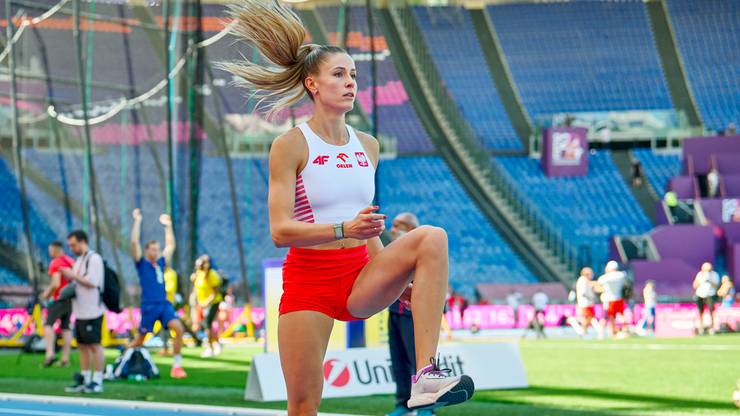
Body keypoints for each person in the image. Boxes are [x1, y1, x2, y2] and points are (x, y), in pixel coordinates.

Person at [223, 2, 475, 413]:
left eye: (353, 75)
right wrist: (344, 229)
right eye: (338, 74)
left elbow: (369, 225)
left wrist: (397, 279)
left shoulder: (368, 146)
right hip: (310, 283)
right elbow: (280, 230)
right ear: (312, 85)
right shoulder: (291, 144)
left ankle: (426, 376)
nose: (350, 82)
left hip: (360, 277)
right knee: (303, 404)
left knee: (431, 238)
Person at [128, 209, 187, 378]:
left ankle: (177, 366)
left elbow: (171, 246)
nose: (155, 252)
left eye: (157, 249)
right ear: (147, 251)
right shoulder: (142, 264)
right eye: (152, 249)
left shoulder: (160, 263)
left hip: (163, 304)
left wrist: (168, 226)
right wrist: (137, 221)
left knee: (178, 328)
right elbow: (133, 243)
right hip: (149, 305)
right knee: (140, 339)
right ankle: (124, 358)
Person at [385, 212, 432, 416]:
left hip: (415, 315)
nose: (393, 229)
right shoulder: (392, 251)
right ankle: (403, 403)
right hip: (395, 311)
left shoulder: (423, 252)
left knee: (419, 361)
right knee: (399, 361)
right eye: (393, 225)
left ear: (412, 229)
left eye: (399, 225)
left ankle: (427, 406)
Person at [60, 230, 106, 393]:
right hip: (79, 311)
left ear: (82, 241)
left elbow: (93, 282)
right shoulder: (78, 261)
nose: (72, 248)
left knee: (94, 345)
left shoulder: (94, 259)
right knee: (82, 346)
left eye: (73, 244)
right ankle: (85, 379)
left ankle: (98, 380)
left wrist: (72, 275)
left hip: (93, 311)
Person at [40, 241, 74, 368]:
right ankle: (65, 358)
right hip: (70, 298)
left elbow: (56, 283)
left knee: (48, 324)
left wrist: (46, 295)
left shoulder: (56, 262)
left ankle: (50, 354)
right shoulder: (70, 261)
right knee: (66, 327)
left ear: (55, 249)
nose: (49, 253)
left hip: (59, 298)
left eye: (50, 250)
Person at [190, 255, 223, 358]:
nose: (198, 267)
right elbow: (197, 288)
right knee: (206, 325)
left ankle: (210, 347)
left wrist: (207, 302)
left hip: (213, 302)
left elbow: (215, 292)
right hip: (202, 303)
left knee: (207, 324)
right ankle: (216, 344)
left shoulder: (212, 275)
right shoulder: (199, 274)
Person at [567, 267, 603, 338]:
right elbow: (583, 293)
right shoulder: (582, 280)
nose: (592, 275)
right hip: (585, 303)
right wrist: (591, 297)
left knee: (588, 318)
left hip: (588, 302)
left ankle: (583, 331)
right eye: (590, 273)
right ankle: (579, 327)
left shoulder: (586, 280)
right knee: (589, 317)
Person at [595, 261, 627, 338]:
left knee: (610, 317)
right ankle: (625, 331)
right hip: (619, 298)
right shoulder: (622, 275)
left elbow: (597, 286)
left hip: (609, 300)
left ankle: (611, 333)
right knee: (621, 316)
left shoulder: (605, 277)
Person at [693, 262, 720, 335]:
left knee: (711, 312)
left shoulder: (714, 274)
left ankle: (712, 328)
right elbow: (695, 285)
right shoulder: (700, 274)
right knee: (700, 312)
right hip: (700, 294)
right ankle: (701, 328)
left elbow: (716, 286)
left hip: (710, 295)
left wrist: (710, 280)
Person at [159, 265, 180, 357]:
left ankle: (168, 349)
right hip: (162, 303)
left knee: (168, 328)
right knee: (165, 328)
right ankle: (166, 348)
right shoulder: (163, 273)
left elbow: (170, 288)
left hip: (168, 303)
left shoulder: (170, 273)